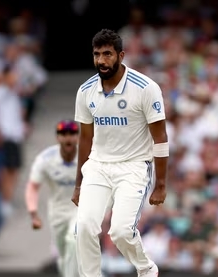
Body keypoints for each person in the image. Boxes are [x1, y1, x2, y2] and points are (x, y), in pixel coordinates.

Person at [72, 29, 168, 277]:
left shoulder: (146, 88)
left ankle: (146, 268)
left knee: (121, 232)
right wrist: (79, 184)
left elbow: (160, 138)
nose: (102, 61)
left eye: (107, 54)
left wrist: (161, 184)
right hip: (98, 165)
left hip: (134, 166)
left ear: (121, 55)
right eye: (97, 55)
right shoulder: (86, 91)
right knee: (83, 226)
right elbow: (85, 138)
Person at [25, 119, 80, 277]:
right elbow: (32, 187)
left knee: (73, 239)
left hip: (80, 209)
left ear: (77, 137)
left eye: (72, 134)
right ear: (57, 137)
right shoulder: (46, 159)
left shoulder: (88, 156)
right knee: (62, 256)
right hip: (57, 211)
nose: (68, 138)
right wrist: (33, 213)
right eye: (63, 134)